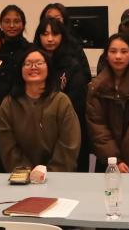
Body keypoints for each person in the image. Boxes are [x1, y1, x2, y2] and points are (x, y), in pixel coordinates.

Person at [0, 46, 81, 171]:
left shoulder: (61, 101)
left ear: (48, 68)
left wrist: (50, 173)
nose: (33, 67)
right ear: (20, 69)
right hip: (20, 176)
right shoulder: (9, 104)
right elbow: (7, 146)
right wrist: (26, 173)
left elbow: (69, 144)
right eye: (28, 64)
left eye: (39, 63)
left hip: (58, 176)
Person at [86, 34, 129, 172]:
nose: (118, 56)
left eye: (124, 51)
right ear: (106, 55)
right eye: (113, 51)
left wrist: (128, 161)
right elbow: (98, 128)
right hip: (107, 160)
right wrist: (115, 160)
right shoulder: (96, 87)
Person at [35, 16, 91, 170]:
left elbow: (76, 104)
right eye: (45, 34)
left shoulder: (72, 65)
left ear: (63, 36)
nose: (50, 39)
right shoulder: (32, 64)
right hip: (37, 132)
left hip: (67, 130)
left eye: (55, 34)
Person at [0, 4, 30, 86]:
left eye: (16, 21)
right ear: (0, 24)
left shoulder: (30, 50)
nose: (11, 25)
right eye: (7, 21)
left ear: (23, 24)